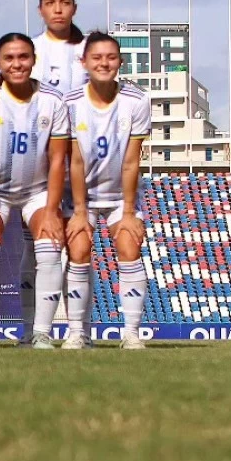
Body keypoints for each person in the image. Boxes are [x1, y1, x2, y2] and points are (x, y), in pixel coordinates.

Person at [0, 34, 69, 349]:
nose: (17, 64)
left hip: (37, 191)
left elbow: (57, 161)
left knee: (50, 247)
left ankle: (38, 332)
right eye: (9, 58)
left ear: (33, 60)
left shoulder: (52, 100)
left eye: (23, 57)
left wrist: (52, 211)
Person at [64, 33, 150, 349]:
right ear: (84, 62)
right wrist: (80, 211)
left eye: (111, 57)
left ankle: (131, 332)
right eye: (97, 57)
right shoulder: (71, 103)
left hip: (119, 195)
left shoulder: (137, 100)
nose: (104, 63)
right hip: (80, 196)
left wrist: (128, 212)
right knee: (79, 251)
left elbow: (131, 160)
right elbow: (74, 160)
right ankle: (77, 333)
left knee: (129, 248)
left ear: (120, 62)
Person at [19, 0, 88, 345]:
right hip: (41, 158)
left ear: (74, 7)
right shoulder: (32, 50)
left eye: (64, 2)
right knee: (37, 247)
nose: (58, 9)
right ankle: (32, 330)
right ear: (41, 9)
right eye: (50, 2)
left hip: (81, 157)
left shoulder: (90, 50)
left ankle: (80, 331)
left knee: (79, 246)